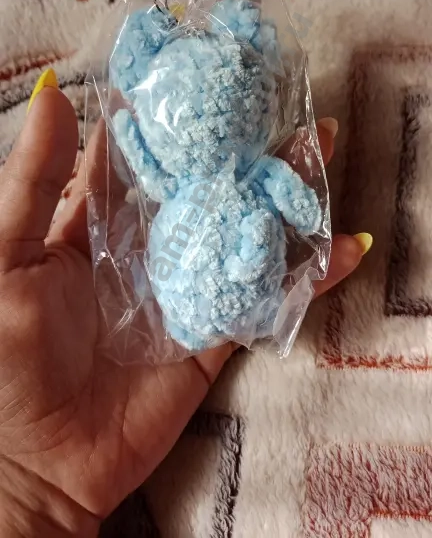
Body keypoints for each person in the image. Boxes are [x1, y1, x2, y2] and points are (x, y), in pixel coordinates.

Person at [0, 70, 371, 536]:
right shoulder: (191, 186)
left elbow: (290, 199)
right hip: (183, 304)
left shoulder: (243, 178)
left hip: (208, 301)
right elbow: (154, 164)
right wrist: (21, 485)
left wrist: (25, 489)